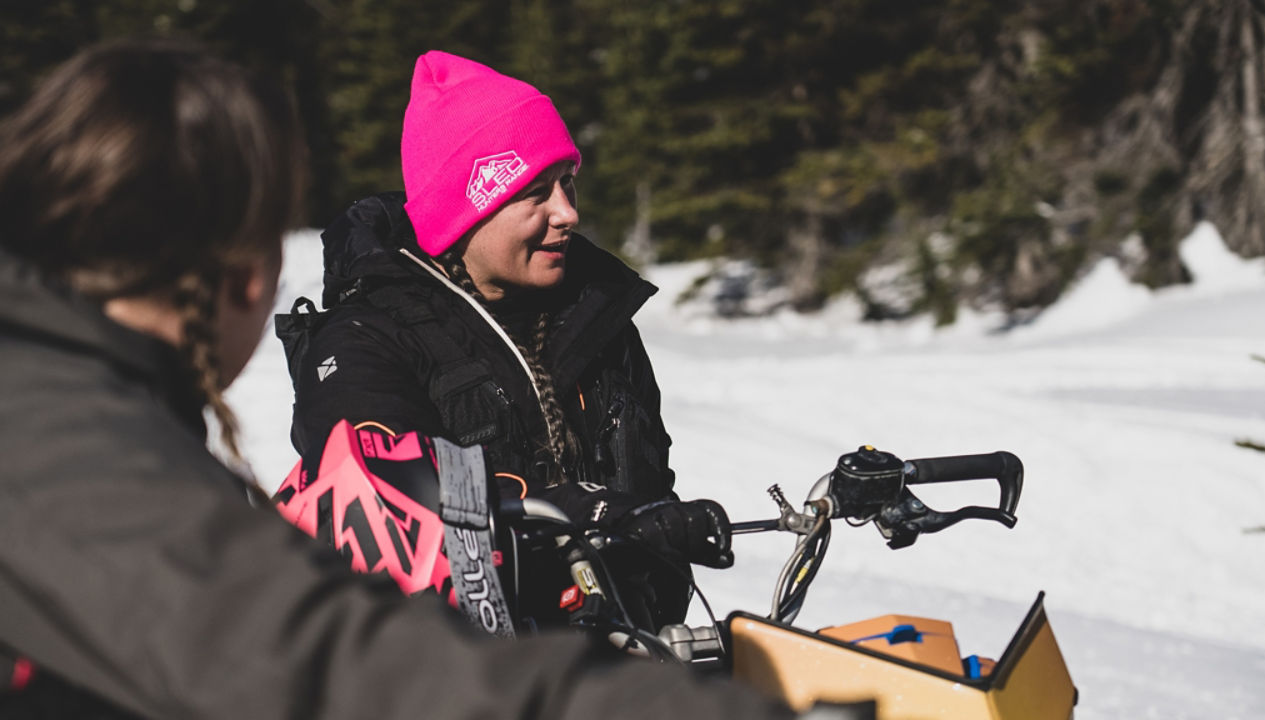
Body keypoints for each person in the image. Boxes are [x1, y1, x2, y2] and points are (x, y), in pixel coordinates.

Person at [0, 39, 789, 720]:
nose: (566, 215)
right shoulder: (60, 451)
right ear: (239, 266)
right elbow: (324, 654)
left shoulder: (58, 405)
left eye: (568, 184)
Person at [279, 51, 731, 630]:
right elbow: (388, 499)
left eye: (568, 185)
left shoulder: (598, 317)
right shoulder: (365, 341)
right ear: (465, 208)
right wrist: (581, 510)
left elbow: (648, 483)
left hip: (632, 661)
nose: (568, 213)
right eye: (536, 192)